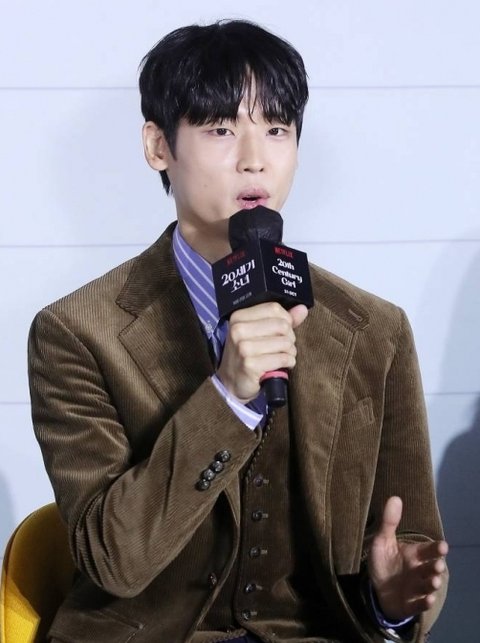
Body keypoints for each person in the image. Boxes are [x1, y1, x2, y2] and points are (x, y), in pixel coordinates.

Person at [28, 19, 448, 643]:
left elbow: (409, 539)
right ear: (158, 146)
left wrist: (391, 603)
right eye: (221, 129)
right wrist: (227, 398)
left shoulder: (373, 331)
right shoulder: (76, 332)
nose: (256, 159)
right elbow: (113, 559)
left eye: (277, 129)